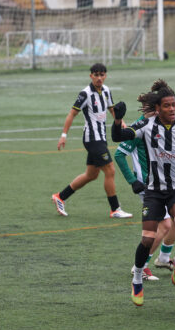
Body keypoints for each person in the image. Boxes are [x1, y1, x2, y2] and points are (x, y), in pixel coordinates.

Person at [110, 80, 175, 306]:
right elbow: (118, 138)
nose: (172, 109)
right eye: (167, 106)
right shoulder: (146, 125)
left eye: (174, 105)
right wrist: (116, 121)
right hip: (152, 191)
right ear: (158, 108)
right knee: (147, 239)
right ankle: (137, 277)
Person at [114, 84, 175, 281]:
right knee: (164, 225)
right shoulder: (140, 127)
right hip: (148, 185)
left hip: (165, 183)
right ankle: (141, 267)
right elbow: (119, 155)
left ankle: (162, 257)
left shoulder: (160, 126)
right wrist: (133, 181)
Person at [52, 62, 131, 219]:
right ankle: (115, 209)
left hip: (101, 137)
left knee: (91, 174)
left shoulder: (107, 91)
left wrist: (121, 122)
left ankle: (60, 196)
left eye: (102, 75)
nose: (99, 78)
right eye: (96, 75)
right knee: (110, 170)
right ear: (91, 76)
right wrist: (63, 135)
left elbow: (111, 109)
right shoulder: (85, 94)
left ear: (105, 76)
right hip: (92, 138)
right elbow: (72, 114)